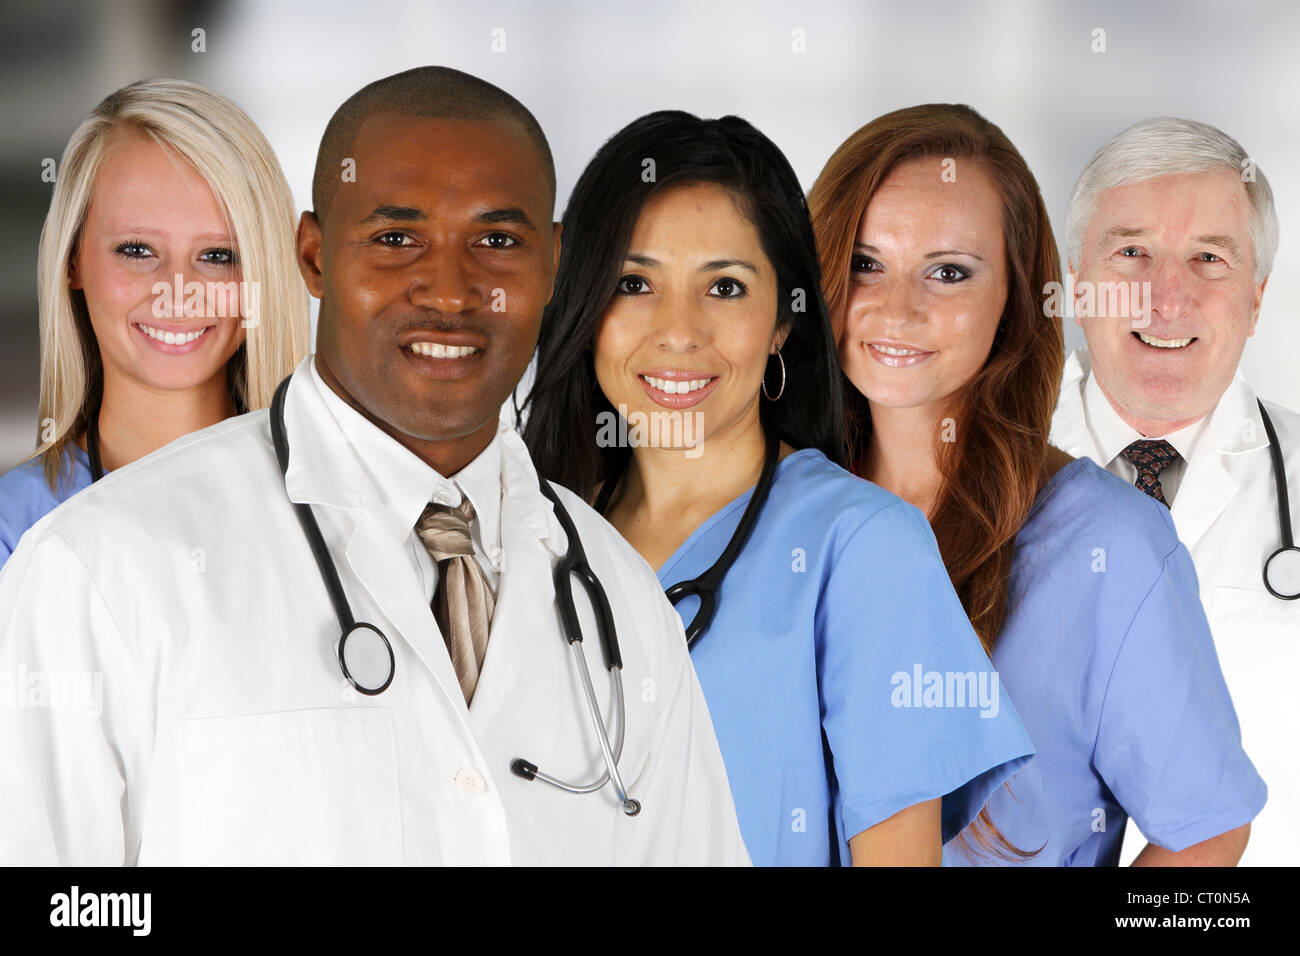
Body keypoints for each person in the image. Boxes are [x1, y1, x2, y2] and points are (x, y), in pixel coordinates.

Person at [0, 67, 749, 866]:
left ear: (556, 266)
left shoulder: (624, 601)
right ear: (314, 257)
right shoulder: (103, 565)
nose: (452, 293)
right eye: (396, 239)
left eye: (497, 240)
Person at [522, 110, 1035, 866]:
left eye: (724, 287)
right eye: (634, 282)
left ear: (783, 323)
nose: (677, 332)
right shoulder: (534, 531)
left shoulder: (861, 547)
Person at [809, 103, 1265, 866]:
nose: (898, 307)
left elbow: (1208, 832)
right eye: (866, 262)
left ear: (1017, 296)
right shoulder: (779, 510)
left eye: (949, 271)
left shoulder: (1107, 544)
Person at [1049, 117, 1299, 866]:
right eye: (1132, 252)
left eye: (1209, 259)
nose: (1167, 297)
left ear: (1256, 298)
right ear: (1073, 284)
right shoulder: (966, 475)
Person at [0, 78, 310, 570]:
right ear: (72, 260)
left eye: (217, 255)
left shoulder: (339, 507)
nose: (178, 290)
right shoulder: (14, 532)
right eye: (137, 250)